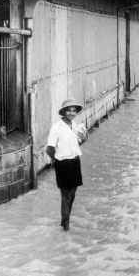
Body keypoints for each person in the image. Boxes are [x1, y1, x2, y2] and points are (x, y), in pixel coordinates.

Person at [46, 98, 88, 231]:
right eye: (69, 110)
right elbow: (49, 149)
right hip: (63, 163)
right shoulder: (56, 127)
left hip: (75, 161)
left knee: (73, 192)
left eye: (74, 111)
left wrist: (85, 139)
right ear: (63, 112)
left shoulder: (75, 126)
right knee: (65, 195)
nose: (71, 113)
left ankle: (64, 220)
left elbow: (75, 144)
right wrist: (57, 159)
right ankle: (66, 227)